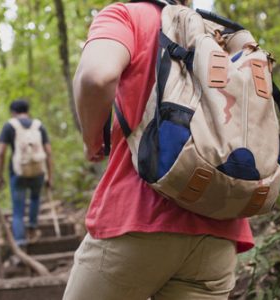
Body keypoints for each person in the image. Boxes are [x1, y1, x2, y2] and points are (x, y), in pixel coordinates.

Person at [64, 1, 254, 299]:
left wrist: (92, 139)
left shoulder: (127, 15)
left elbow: (96, 77)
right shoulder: (219, 33)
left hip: (137, 219)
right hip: (218, 229)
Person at [0, 99, 53, 247]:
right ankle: (32, 228)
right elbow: (48, 152)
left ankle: (20, 242)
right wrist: (50, 176)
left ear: (13, 112)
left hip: (18, 172)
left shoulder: (9, 126)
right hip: (38, 171)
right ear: (27, 111)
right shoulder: (39, 126)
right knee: (35, 199)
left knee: (18, 209)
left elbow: (1, 152)